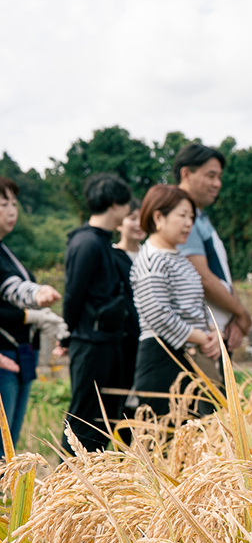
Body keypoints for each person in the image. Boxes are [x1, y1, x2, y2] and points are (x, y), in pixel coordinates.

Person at [129, 185, 220, 417]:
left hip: (188, 353)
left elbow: (195, 305)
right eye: (182, 216)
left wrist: (211, 333)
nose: (189, 223)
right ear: (158, 217)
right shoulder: (152, 259)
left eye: (191, 217)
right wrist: (202, 338)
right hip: (163, 358)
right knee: (167, 433)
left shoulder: (178, 257)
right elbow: (158, 314)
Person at [62, 173, 133, 454]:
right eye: (126, 204)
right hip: (90, 343)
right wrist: (68, 333)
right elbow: (73, 296)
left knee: (103, 420)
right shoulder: (86, 243)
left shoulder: (102, 241)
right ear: (114, 204)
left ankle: (94, 477)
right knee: (83, 419)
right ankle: (69, 477)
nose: (128, 210)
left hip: (107, 342)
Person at [0, 176, 61, 446]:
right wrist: (35, 298)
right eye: (3, 204)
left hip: (22, 351)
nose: (11, 211)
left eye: (14, 203)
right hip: (4, 354)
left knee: (10, 443)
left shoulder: (7, 252)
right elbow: (12, 288)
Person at [173, 143, 252, 354]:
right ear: (186, 174)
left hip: (217, 333)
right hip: (202, 337)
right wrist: (241, 314)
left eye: (219, 177)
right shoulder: (181, 219)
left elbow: (222, 276)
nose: (217, 183)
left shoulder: (201, 216)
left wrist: (235, 316)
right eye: (210, 175)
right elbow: (203, 277)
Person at [113, 198, 144, 391]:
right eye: (132, 218)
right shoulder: (111, 256)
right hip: (123, 341)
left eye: (143, 217)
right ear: (118, 223)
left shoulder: (152, 256)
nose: (139, 224)